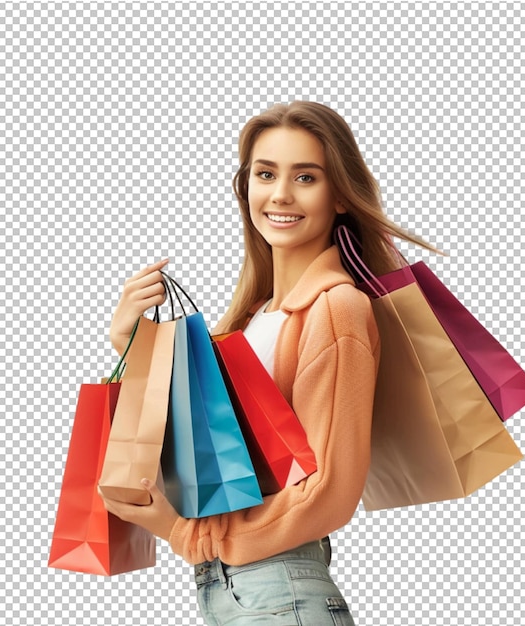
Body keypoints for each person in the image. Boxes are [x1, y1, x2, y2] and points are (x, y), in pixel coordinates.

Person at [100, 101, 428, 625]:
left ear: (341, 194)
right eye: (265, 173)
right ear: (245, 186)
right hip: (247, 593)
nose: (280, 194)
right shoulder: (255, 318)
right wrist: (129, 343)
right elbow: (210, 431)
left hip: (280, 591)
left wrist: (183, 533)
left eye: (306, 176)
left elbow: (328, 494)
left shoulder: (336, 309)